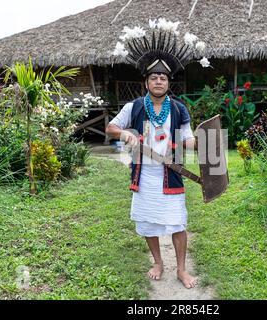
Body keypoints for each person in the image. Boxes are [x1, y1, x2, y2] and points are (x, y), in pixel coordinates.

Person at [105, 20, 209, 289]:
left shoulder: (179, 109)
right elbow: (111, 127)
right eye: (154, 77)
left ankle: (182, 270)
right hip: (144, 174)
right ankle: (158, 262)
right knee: (149, 223)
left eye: (163, 77)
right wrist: (125, 134)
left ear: (168, 81)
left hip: (171, 174)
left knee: (177, 223)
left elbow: (186, 139)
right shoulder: (134, 106)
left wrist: (202, 143)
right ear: (146, 82)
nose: (159, 80)